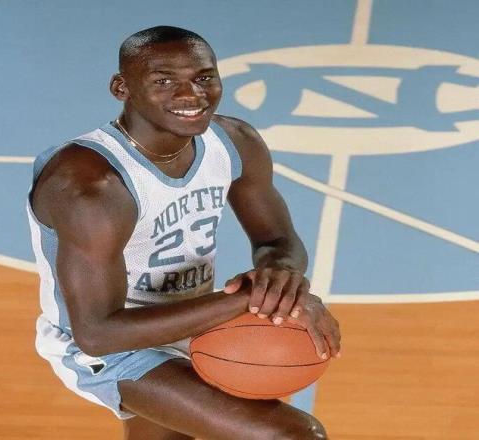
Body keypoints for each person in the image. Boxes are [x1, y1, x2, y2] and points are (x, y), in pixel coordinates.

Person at [27, 25, 341, 440]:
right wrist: (246, 300)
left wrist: (280, 279)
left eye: (204, 77)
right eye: (164, 81)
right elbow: (98, 333)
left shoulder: (234, 142)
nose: (192, 95)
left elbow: (277, 242)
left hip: (192, 322)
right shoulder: (91, 185)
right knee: (293, 435)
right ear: (122, 88)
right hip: (108, 347)